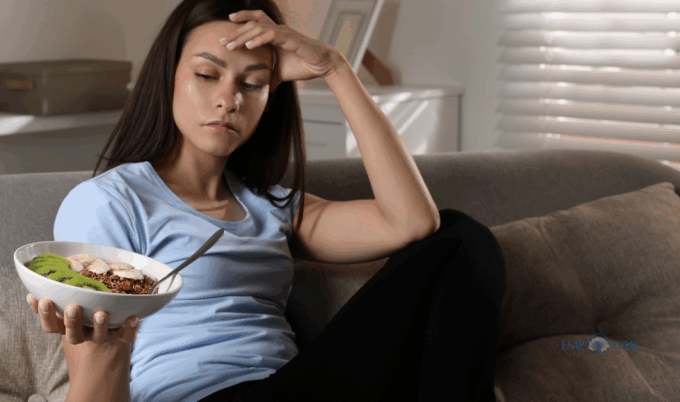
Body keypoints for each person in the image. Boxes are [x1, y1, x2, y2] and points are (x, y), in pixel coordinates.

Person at [25, 0, 507, 401]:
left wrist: (334, 69)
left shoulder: (273, 205)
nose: (229, 99)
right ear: (169, 76)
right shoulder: (110, 202)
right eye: (207, 75)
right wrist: (101, 348)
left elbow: (412, 222)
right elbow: (93, 369)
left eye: (252, 83)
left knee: (461, 236)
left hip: (288, 387)